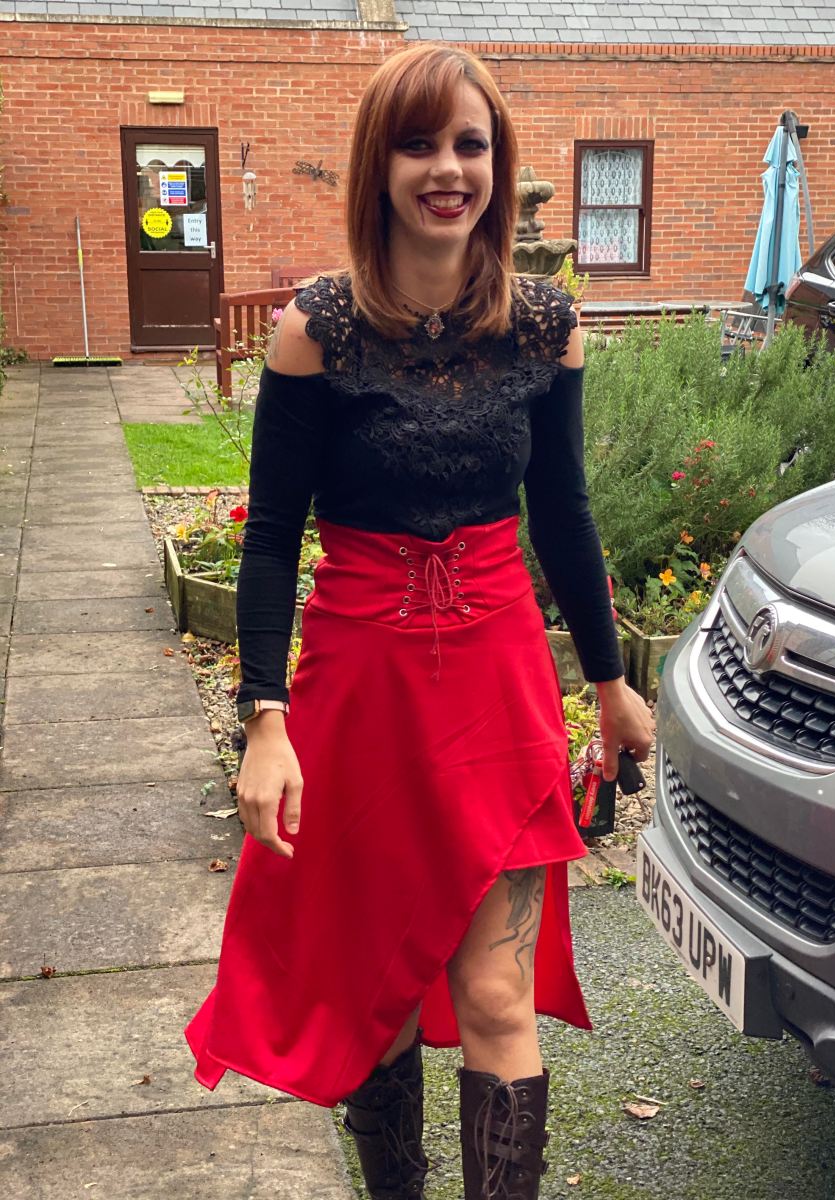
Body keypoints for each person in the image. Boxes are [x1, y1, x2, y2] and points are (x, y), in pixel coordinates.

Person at [185, 42, 654, 1200]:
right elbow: (270, 537)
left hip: (498, 685)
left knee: (495, 996)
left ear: (497, 162)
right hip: (362, 691)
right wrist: (264, 718)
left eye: (470, 144)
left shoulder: (547, 326)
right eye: (419, 144)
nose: (448, 169)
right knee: (379, 994)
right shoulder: (318, 328)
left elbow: (565, 517)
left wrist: (608, 684)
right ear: (378, 166)